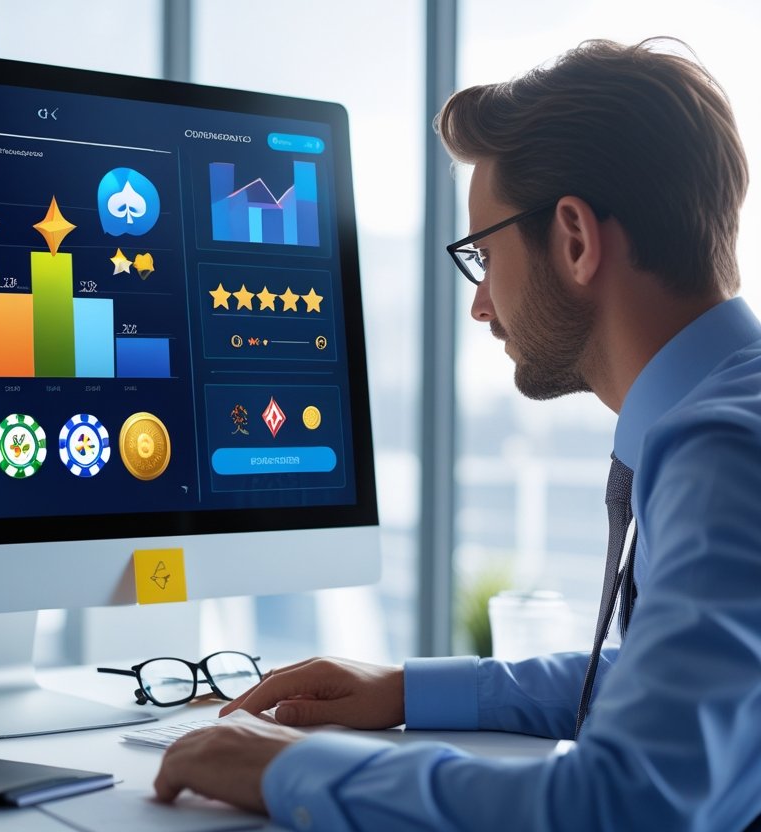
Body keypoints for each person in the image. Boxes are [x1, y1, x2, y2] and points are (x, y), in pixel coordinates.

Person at [154, 37, 761, 830]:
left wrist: (290, 768)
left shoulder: (723, 450)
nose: (479, 305)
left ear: (574, 239)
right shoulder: (731, 415)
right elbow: (680, 691)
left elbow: (627, 804)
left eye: (481, 255)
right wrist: (410, 690)